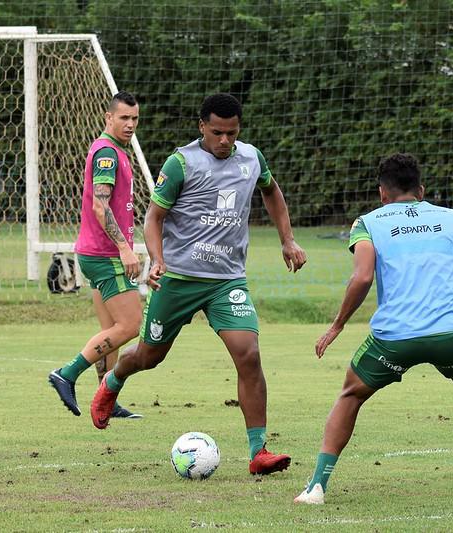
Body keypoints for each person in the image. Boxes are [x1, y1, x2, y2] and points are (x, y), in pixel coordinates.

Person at [89, 93, 308, 475]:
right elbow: (154, 218)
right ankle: (114, 379)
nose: (224, 140)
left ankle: (258, 452)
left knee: (249, 354)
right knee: (148, 357)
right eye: (217, 132)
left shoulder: (252, 158)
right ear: (202, 126)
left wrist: (287, 239)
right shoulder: (181, 163)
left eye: (232, 133)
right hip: (179, 278)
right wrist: (157, 260)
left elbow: (271, 191)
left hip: (227, 280)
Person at [294, 153, 453, 504]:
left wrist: (337, 325)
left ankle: (317, 486)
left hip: (395, 339)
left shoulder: (368, 223)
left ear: (382, 193)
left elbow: (362, 277)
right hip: (452, 334)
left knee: (351, 394)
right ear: (421, 190)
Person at [47, 91, 144, 420]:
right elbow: (100, 207)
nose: (130, 124)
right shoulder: (107, 153)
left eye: (134, 118)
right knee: (130, 325)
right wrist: (125, 248)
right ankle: (66, 374)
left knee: (111, 331)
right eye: (124, 118)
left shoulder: (115, 150)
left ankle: (107, 400)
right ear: (109, 117)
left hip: (94, 252)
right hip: (106, 255)